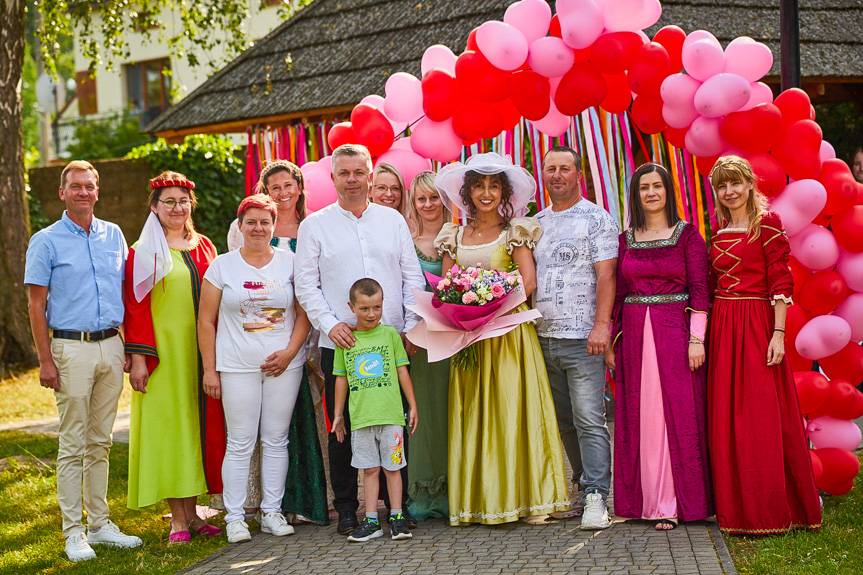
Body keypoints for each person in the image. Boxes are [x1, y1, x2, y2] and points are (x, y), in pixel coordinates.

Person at [295, 143, 425, 535]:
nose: (352, 179)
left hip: (390, 343)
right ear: (333, 178)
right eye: (344, 173)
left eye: (359, 172)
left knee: (394, 423)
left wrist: (413, 325)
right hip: (343, 344)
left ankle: (395, 507)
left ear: (371, 176)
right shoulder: (314, 225)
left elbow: (411, 275)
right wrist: (329, 323)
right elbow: (306, 284)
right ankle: (350, 508)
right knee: (343, 426)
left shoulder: (392, 221)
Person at [434, 152, 570, 526]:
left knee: (512, 411)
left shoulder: (515, 232)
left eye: (494, 186)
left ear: (504, 192)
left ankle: (526, 499)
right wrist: (464, 307)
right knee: (476, 414)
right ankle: (481, 501)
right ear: (468, 192)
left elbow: (528, 281)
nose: (487, 193)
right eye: (479, 186)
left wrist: (493, 302)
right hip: (471, 341)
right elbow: (446, 287)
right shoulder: (454, 234)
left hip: (509, 337)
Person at [24, 160, 142, 561]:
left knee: (101, 441)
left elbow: (125, 293)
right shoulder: (46, 241)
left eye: (90, 186)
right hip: (69, 349)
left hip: (111, 345)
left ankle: (101, 524)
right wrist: (45, 360)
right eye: (76, 186)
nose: (84, 192)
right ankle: (73, 531)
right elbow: (35, 304)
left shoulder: (114, 235)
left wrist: (128, 346)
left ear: (97, 191)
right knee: (73, 443)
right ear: (63, 192)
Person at [707, 155, 822, 535]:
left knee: (758, 414)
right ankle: (735, 507)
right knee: (727, 415)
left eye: (735, 183)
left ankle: (770, 508)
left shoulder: (767, 226)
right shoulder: (718, 230)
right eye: (723, 186)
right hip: (724, 325)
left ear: (749, 184)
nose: (730, 191)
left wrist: (777, 334)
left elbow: (781, 282)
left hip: (756, 324)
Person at [198, 194, 311, 543]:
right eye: (252, 222)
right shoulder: (222, 266)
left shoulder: (291, 264)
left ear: (274, 225)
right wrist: (210, 369)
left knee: (276, 440)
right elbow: (205, 320)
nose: (258, 228)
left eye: (265, 222)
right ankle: (235, 517)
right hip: (236, 366)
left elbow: (305, 315)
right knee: (240, 441)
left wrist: (290, 353)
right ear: (240, 225)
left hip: (282, 367)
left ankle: (272, 513)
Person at [606, 163, 713, 530]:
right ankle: (645, 501)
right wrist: (612, 342)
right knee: (641, 416)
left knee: (676, 416)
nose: (651, 193)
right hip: (635, 338)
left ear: (668, 190)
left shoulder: (687, 237)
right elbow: (619, 296)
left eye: (657, 186)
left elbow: (701, 291)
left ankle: (674, 503)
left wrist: (696, 339)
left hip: (675, 334)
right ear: (635, 195)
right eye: (644, 187)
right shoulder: (626, 239)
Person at [226, 160, 329, 525]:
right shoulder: (250, 228)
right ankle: (254, 502)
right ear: (264, 192)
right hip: (257, 339)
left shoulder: (314, 227)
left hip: (309, 330)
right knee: (255, 428)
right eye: (275, 188)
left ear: (299, 187)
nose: (283, 193)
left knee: (305, 415)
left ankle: (314, 495)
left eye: (289, 185)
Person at [123, 171, 221, 543]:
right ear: (154, 207)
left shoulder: (204, 246)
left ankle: (194, 514)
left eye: (183, 201)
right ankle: (177, 519)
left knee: (195, 429)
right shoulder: (143, 251)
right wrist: (138, 358)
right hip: (163, 355)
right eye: (169, 201)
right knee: (170, 431)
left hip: (200, 353)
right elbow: (134, 306)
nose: (177, 207)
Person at [533, 146, 618, 530]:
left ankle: (598, 495)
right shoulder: (534, 223)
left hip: (583, 338)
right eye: (550, 168)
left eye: (564, 168)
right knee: (564, 420)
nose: (557, 175)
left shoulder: (597, 219)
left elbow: (606, 276)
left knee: (589, 418)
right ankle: (584, 486)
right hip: (542, 337)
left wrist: (602, 325)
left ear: (578, 174)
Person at [331, 278, 419, 542]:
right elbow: (341, 378)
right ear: (351, 307)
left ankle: (396, 517)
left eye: (377, 307)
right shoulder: (346, 340)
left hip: (391, 416)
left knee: (393, 469)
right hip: (361, 419)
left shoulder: (390, 334)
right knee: (369, 470)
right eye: (365, 308)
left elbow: (402, 370)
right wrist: (338, 415)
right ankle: (371, 521)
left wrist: (412, 405)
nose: (371, 314)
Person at [402, 171, 451, 520]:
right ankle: (422, 493)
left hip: (452, 337)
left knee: (450, 412)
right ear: (414, 203)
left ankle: (454, 489)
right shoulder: (406, 239)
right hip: (418, 341)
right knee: (422, 416)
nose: (429, 204)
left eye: (434, 197)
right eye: (422, 199)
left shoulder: (457, 235)